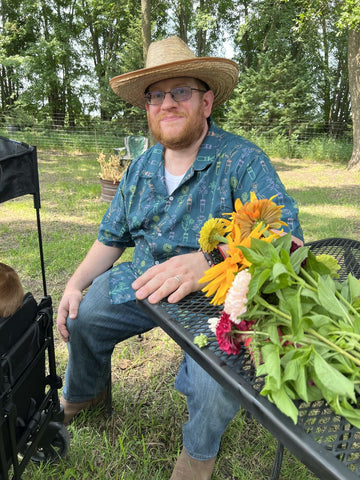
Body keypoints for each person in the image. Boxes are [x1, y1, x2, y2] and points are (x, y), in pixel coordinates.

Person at [57, 36, 303, 480]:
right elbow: (111, 238)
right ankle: (87, 394)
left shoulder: (241, 160)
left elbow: (288, 240)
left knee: (216, 378)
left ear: (206, 102)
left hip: (219, 298)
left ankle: (199, 453)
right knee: (84, 315)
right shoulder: (139, 168)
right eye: (156, 95)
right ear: (147, 107)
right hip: (146, 279)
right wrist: (75, 285)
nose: (167, 103)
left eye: (180, 92)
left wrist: (211, 260)